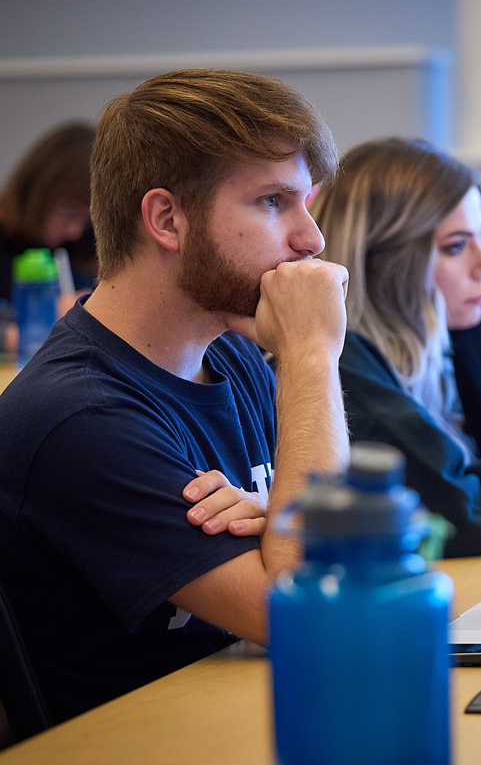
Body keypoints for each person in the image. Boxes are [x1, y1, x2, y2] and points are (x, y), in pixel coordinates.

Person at [0, 69, 349, 724]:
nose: (311, 239)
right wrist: (310, 356)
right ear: (166, 218)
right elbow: (309, 610)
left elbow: (354, 557)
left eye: (307, 202)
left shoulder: (234, 358)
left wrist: (279, 519)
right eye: (275, 202)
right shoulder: (79, 417)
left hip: (248, 720)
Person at [309, 137, 481, 558]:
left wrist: (476, 316)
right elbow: (472, 512)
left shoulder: (442, 347)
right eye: (456, 246)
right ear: (385, 264)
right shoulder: (343, 362)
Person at [0, 122, 98, 301]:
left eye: (85, 221)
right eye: (69, 212)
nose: (74, 231)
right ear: (38, 190)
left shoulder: (77, 252)